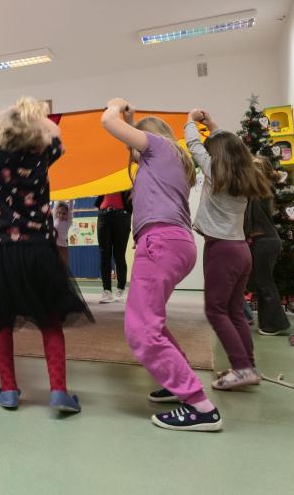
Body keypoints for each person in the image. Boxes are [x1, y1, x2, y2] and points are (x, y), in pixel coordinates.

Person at [0, 98, 93, 414]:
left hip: (1, 251)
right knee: (50, 320)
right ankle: (58, 392)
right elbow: (57, 135)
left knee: (1, 321)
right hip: (39, 249)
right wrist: (35, 116)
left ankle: (8, 390)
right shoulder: (40, 155)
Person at [102, 98, 222, 432]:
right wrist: (132, 120)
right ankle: (176, 382)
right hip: (174, 243)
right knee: (152, 321)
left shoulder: (158, 148)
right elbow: (131, 144)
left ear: (148, 138)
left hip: (160, 243)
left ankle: (200, 406)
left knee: (140, 329)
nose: (132, 152)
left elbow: (108, 123)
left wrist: (115, 107)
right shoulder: (169, 157)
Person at [184, 109, 272, 391]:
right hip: (240, 250)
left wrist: (190, 119)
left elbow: (193, 144)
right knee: (234, 311)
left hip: (222, 251)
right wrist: (212, 124)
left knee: (215, 310)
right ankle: (248, 367)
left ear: (217, 155)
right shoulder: (245, 175)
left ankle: (243, 368)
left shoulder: (214, 172)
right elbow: (233, 146)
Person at [246, 156, 290, 336]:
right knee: (261, 283)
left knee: (264, 283)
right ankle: (267, 323)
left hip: (265, 241)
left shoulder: (260, 191)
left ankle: (276, 324)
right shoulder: (261, 190)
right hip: (264, 241)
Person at [94, 190, 132, 303]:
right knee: (104, 255)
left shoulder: (127, 181)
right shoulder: (104, 180)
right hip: (104, 215)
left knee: (119, 255)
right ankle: (107, 291)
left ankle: (120, 289)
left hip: (122, 216)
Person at [53, 201, 73, 270]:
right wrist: (57, 198)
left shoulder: (68, 222)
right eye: (59, 213)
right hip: (55, 246)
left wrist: (71, 199)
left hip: (64, 247)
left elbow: (70, 209)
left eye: (64, 213)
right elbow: (55, 206)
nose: (61, 215)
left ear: (67, 214)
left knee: (64, 266)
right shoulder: (55, 219)